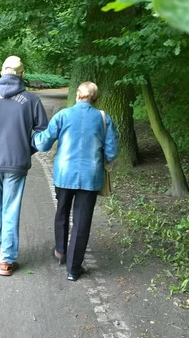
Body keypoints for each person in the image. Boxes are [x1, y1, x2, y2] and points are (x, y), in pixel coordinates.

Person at [0, 56, 48, 276]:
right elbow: (43, 133)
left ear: (2, 72)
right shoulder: (32, 100)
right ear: (22, 74)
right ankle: (7, 260)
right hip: (17, 162)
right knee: (10, 208)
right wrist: (28, 148)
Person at [32, 82, 118, 281]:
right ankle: (73, 268)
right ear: (95, 98)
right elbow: (112, 152)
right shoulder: (103, 118)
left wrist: (32, 137)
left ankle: (60, 252)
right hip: (90, 176)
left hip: (64, 174)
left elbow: (44, 143)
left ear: (78, 95)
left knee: (62, 210)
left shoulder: (62, 115)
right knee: (82, 221)